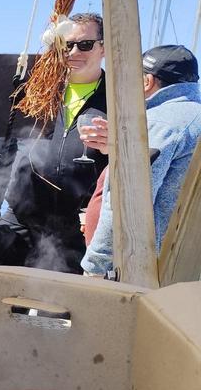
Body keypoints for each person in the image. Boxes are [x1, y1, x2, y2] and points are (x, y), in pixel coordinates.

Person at [0, 13, 108, 272]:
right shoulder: (40, 90)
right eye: (67, 45)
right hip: (17, 220)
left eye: (85, 44)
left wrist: (113, 149)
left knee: (57, 310)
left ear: (103, 48)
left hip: (72, 228)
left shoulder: (117, 100)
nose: (74, 52)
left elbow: (129, 166)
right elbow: (2, 148)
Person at [80, 45, 201, 277]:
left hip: (144, 272)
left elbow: (127, 201)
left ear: (147, 82)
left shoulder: (157, 124)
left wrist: (95, 266)